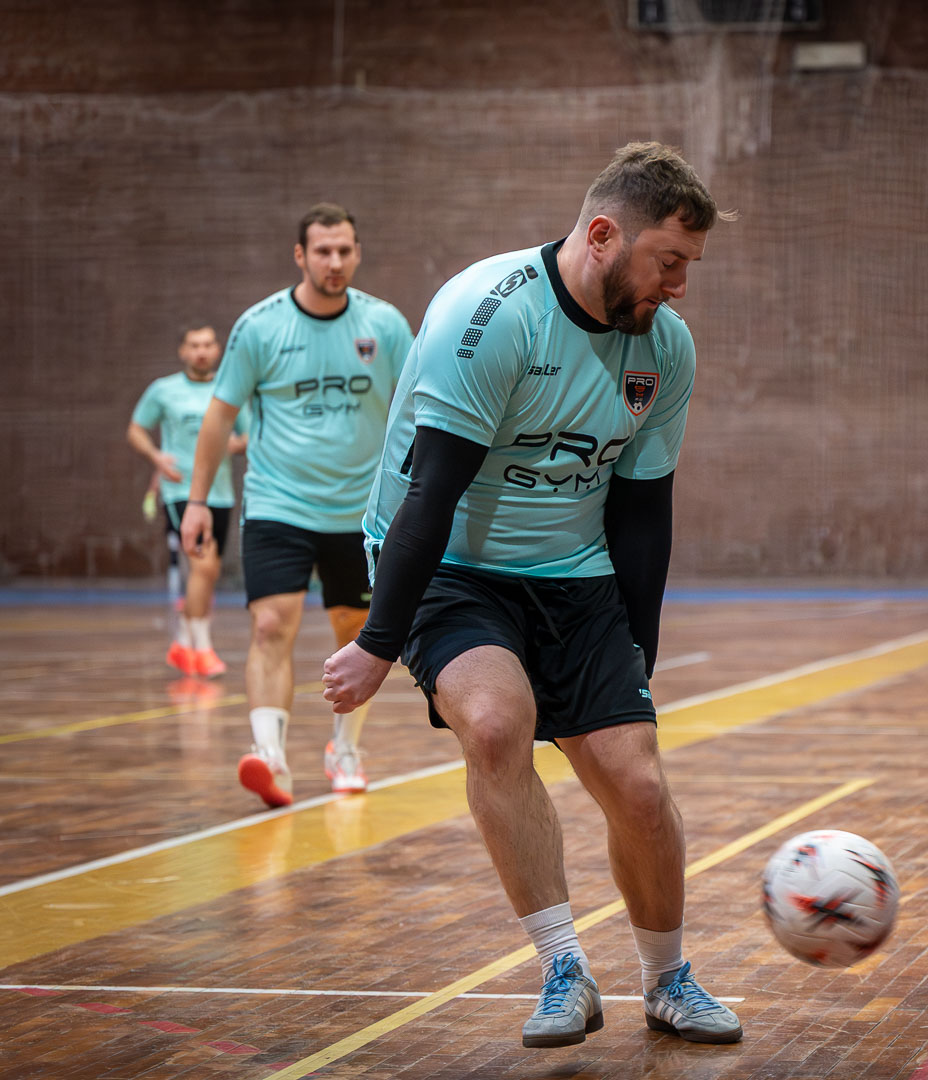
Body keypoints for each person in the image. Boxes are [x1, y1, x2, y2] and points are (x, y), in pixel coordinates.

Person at [317, 142, 741, 1050]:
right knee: (495, 726)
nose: (679, 286)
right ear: (603, 235)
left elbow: (643, 512)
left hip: (575, 570)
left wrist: (638, 653)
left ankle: (667, 979)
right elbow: (431, 494)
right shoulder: (490, 314)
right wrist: (379, 641)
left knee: (637, 783)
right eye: (669, 261)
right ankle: (562, 969)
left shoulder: (664, 346)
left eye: (690, 266)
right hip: (449, 565)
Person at [179, 204, 414, 805]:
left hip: (361, 512)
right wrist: (198, 500)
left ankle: (344, 748)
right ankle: (272, 757)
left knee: (355, 631)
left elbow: (420, 406)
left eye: (344, 250)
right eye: (322, 251)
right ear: (300, 256)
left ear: (357, 253)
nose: (334, 262)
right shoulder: (259, 328)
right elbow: (219, 417)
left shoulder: (385, 325)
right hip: (277, 503)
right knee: (269, 625)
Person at [128, 324, 250, 677]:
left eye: (208, 344)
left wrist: (235, 444)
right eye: (194, 345)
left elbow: (250, 433)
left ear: (217, 350)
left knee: (207, 572)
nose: (201, 351)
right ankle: (202, 646)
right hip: (181, 490)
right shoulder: (164, 390)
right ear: (183, 351)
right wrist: (156, 456)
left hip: (221, 493)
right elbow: (136, 428)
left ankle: (182, 642)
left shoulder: (229, 390)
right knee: (204, 567)